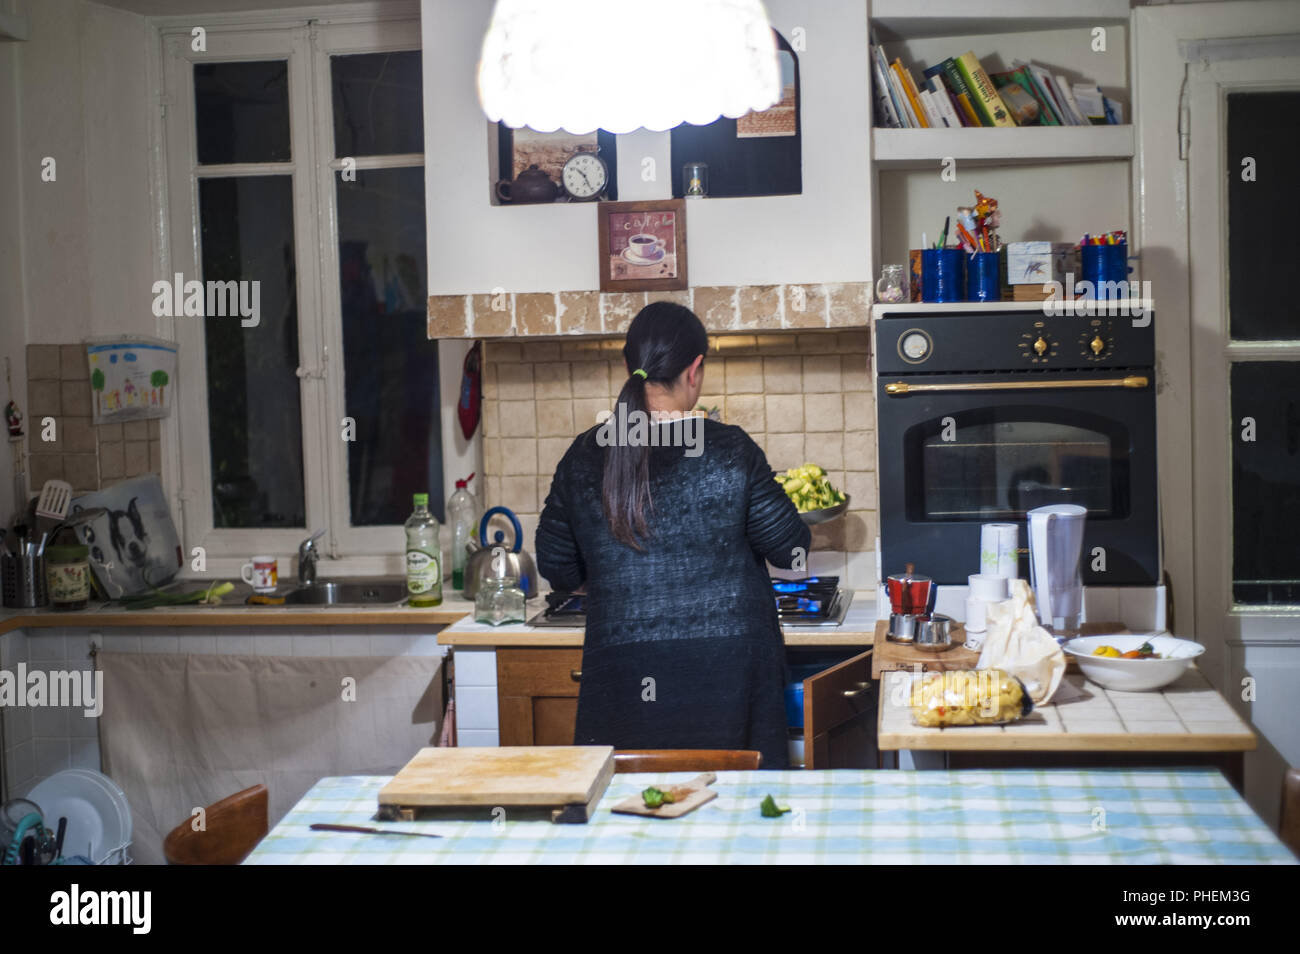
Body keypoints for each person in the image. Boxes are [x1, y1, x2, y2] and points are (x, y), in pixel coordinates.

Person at [535, 302, 810, 767]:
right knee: (738, 816)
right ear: (696, 370)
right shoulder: (729, 449)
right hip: (729, 674)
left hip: (624, 675)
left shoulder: (584, 454)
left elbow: (557, 568)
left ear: (628, 366)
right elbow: (792, 550)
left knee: (632, 818)